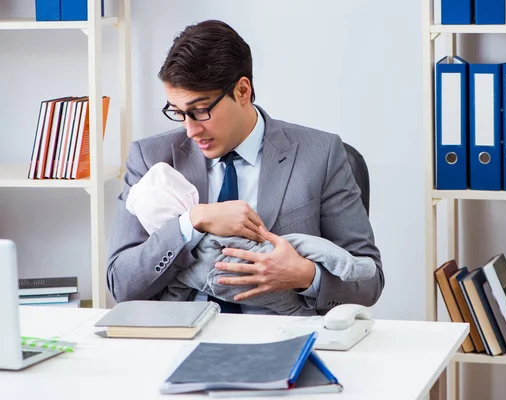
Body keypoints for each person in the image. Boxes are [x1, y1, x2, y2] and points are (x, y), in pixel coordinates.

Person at [106, 19, 384, 315]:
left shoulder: (321, 154)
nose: (190, 130)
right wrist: (192, 221)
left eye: (200, 111)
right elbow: (121, 284)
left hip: (283, 335)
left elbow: (369, 284)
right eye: (177, 113)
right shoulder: (150, 158)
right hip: (180, 336)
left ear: (242, 91)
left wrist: (305, 275)